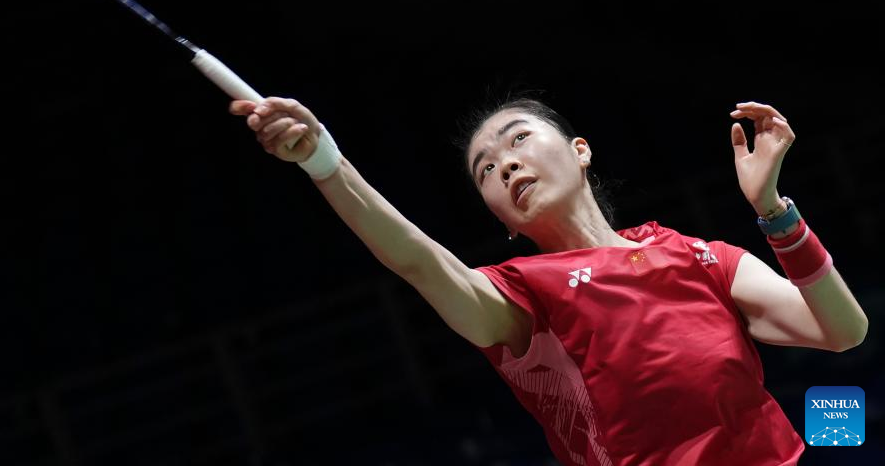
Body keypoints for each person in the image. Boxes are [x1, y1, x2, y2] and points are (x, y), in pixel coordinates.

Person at [228, 93, 868, 466]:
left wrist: (773, 211)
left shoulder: (697, 255)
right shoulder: (522, 295)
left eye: (518, 141)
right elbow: (418, 260)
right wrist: (324, 161)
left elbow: (844, 330)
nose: (505, 165)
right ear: (499, 219)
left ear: (580, 150)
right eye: (485, 170)